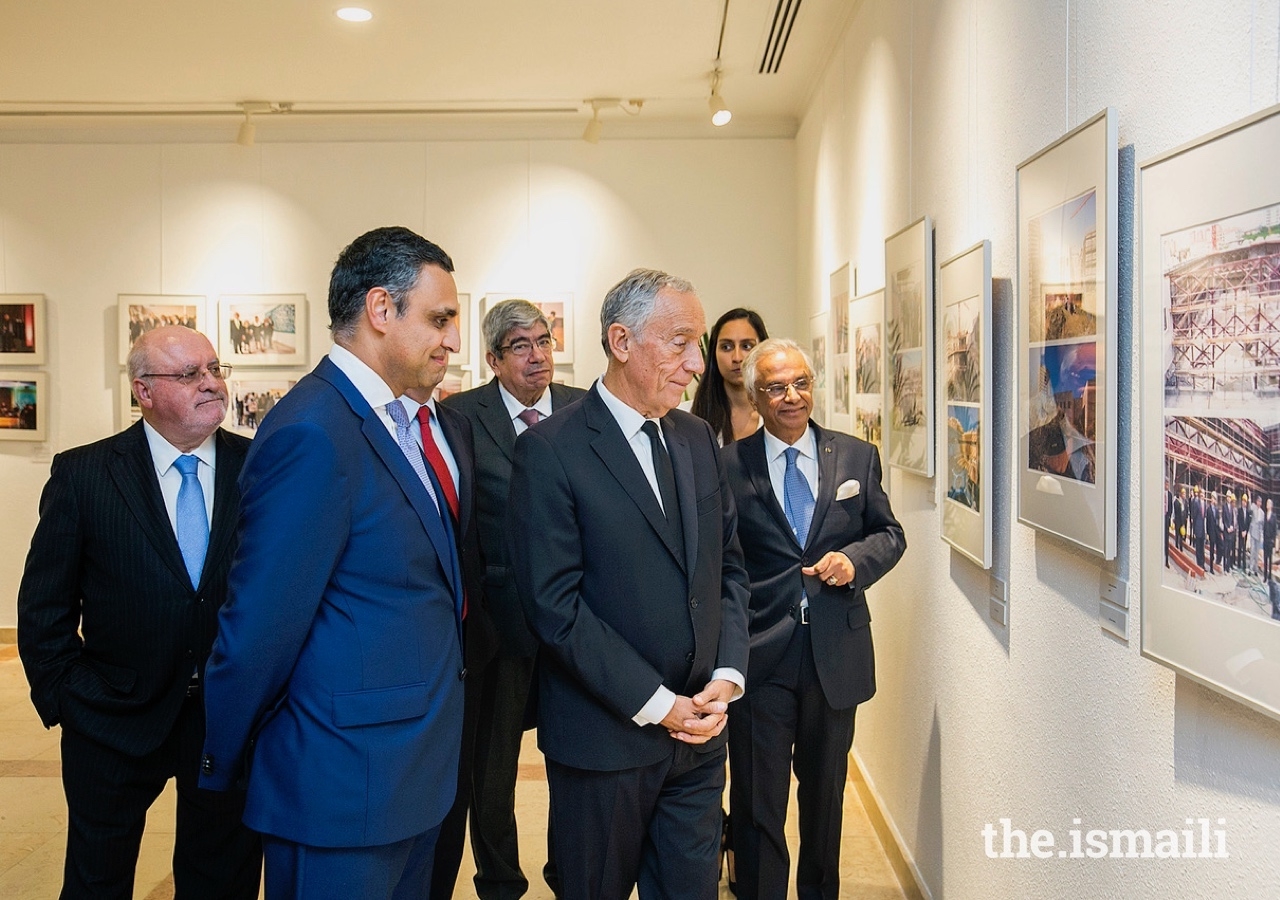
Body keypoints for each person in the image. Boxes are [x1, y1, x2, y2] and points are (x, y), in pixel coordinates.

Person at [199, 226, 466, 899]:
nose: (453, 340)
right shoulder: (315, 431)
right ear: (381, 310)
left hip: (407, 781)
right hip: (340, 795)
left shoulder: (394, 422)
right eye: (439, 319)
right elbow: (259, 627)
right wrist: (224, 758)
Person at [508, 268, 751, 900]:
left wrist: (727, 677)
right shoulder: (552, 450)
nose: (697, 364)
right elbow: (554, 607)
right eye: (680, 342)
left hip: (699, 740)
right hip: (603, 745)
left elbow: (728, 568)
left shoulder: (697, 439)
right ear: (621, 342)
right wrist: (658, 703)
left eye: (699, 344)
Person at [17, 325, 262, 899]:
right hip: (112, 717)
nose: (212, 384)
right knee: (96, 879)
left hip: (227, 719)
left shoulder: (258, 467)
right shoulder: (85, 474)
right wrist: (68, 699)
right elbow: (44, 604)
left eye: (214, 368)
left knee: (221, 877)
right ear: (144, 392)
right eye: (190, 374)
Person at [721, 338, 905, 900]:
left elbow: (890, 534)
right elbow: (720, 558)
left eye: (801, 383)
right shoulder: (727, 464)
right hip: (761, 656)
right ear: (754, 397)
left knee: (825, 800)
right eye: (776, 387)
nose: (792, 397)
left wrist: (854, 560)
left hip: (835, 655)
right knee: (758, 803)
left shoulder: (854, 457)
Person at [441, 298, 586, 899]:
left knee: (574, 762)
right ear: (493, 359)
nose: (537, 356)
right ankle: (500, 879)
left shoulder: (584, 408)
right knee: (490, 771)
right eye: (520, 346)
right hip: (498, 623)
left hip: (577, 623)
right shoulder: (461, 416)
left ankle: (569, 872)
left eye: (544, 341)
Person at [397, 380, 501, 900]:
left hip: (463, 653)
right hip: (402, 662)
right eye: (436, 323)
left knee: (452, 803)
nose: (448, 342)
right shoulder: (365, 428)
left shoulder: (453, 425)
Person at [690, 308, 770, 446]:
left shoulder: (777, 415)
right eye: (726, 347)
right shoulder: (686, 416)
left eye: (746, 346)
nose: (737, 357)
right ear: (714, 353)